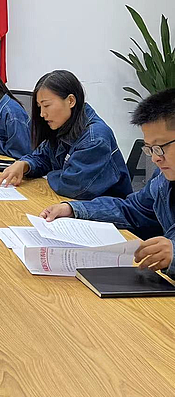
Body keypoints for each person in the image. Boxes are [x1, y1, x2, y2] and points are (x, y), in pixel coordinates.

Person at [39, 88, 175, 276]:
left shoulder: (95, 135)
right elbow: (131, 209)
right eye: (150, 149)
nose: (155, 158)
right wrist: (73, 209)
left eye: (160, 147)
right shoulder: (162, 180)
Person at [0, 70, 132, 199]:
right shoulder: (63, 125)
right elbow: (43, 157)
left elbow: (72, 185)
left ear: (71, 101)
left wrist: (48, 175)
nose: (42, 114)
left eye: (46, 105)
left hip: (102, 212)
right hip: (72, 204)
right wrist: (25, 164)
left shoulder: (95, 138)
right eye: (39, 107)